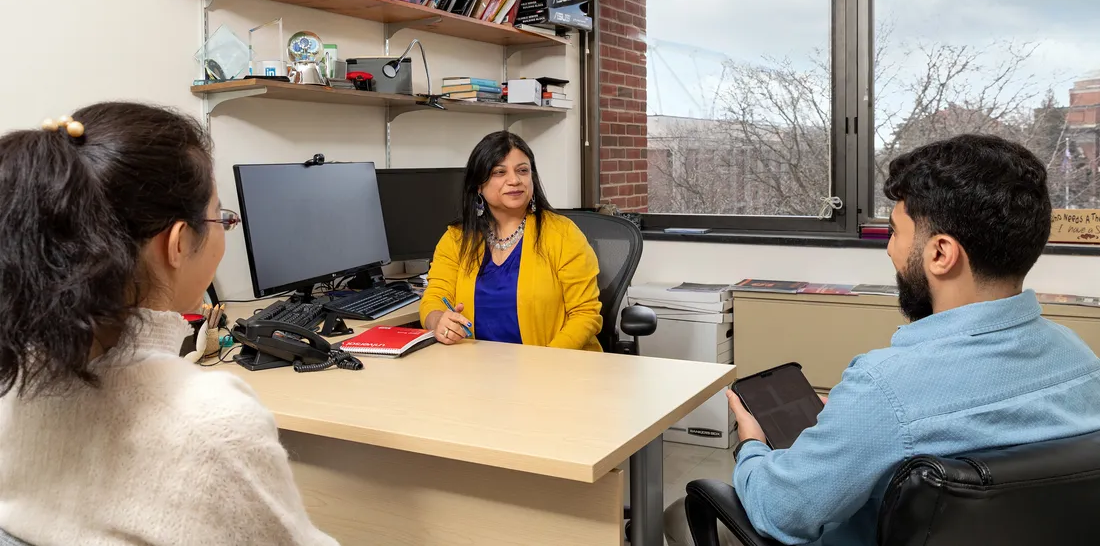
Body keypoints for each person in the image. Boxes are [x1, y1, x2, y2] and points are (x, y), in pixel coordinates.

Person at [665, 134, 1100, 546]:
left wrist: (752, 446)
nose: (889, 249)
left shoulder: (884, 388)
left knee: (678, 514)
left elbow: (782, 513)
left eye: (894, 231)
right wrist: (853, 424)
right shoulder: (1081, 359)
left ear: (940, 254)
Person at [0, 104, 337, 546]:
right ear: (178, 243)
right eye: (221, 219)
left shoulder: (15, 377)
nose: (223, 234)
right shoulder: (212, 420)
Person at [419, 131, 603, 350]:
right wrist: (437, 320)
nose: (514, 180)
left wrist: (546, 362)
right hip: (474, 370)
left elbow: (585, 314)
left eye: (522, 170)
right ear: (478, 185)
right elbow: (435, 296)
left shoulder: (562, 234)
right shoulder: (457, 238)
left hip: (554, 369)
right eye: (499, 172)